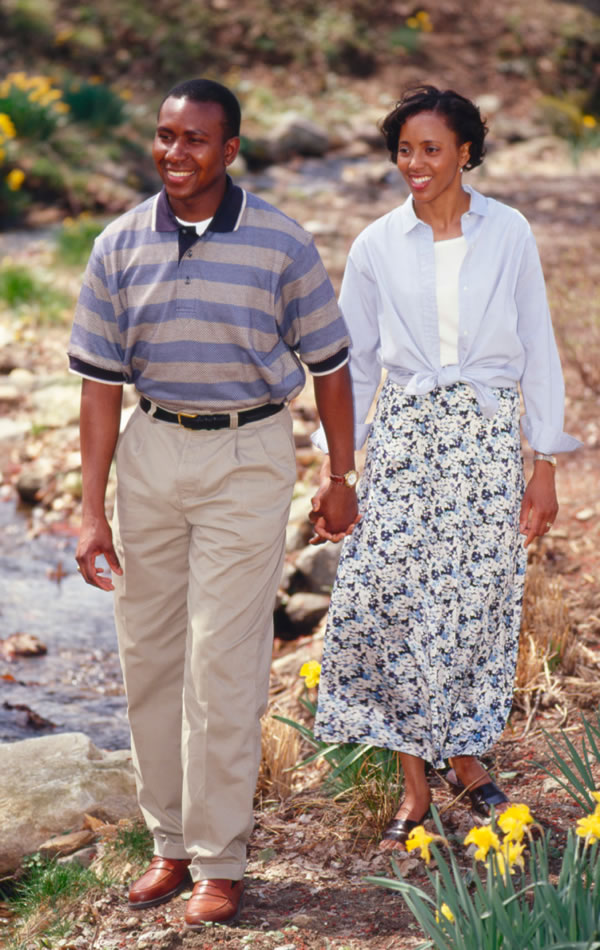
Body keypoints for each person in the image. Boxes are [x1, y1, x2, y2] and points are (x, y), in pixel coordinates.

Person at [68, 77, 359, 926]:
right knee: (151, 658)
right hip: (150, 450)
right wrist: (91, 510)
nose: (175, 153)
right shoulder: (118, 245)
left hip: (248, 454)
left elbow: (331, 367)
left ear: (231, 149)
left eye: (195, 139)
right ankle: (169, 845)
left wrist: (339, 479)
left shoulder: (281, 243)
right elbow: (97, 390)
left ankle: (221, 861)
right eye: (165, 136)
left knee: (223, 665)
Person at [310, 85, 580, 850]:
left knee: (473, 598)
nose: (416, 164)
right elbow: (354, 366)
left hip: (487, 439)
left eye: (432, 149)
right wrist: (341, 474)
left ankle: (466, 759)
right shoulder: (374, 244)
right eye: (404, 150)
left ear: (466, 151)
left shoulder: (510, 232)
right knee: (389, 597)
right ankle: (414, 789)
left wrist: (546, 463)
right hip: (403, 439)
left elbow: (537, 347)